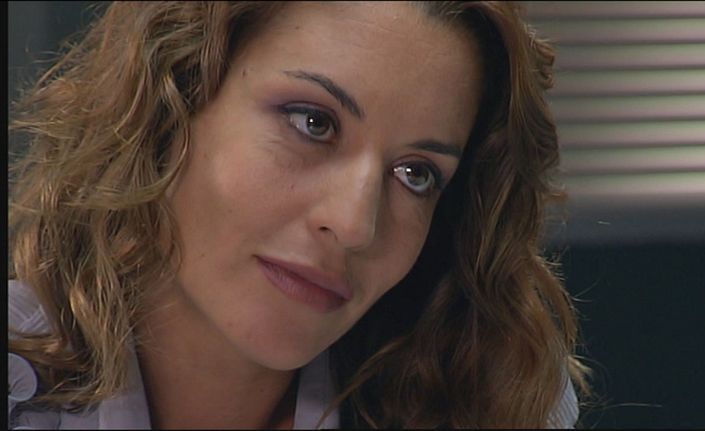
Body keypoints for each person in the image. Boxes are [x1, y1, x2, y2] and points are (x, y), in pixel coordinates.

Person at [8, 1, 590, 428]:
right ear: (173, 105)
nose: (356, 225)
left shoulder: (491, 401)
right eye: (313, 123)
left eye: (416, 175)